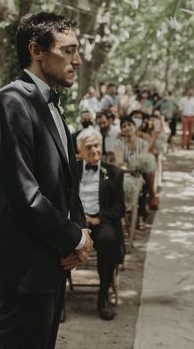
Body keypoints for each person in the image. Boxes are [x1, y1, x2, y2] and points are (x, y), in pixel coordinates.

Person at [0, 12, 94, 349]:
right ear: (36, 50)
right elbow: (24, 195)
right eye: (68, 50)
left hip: (51, 265)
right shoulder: (10, 103)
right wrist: (74, 236)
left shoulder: (52, 105)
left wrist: (80, 233)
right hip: (23, 271)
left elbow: (64, 182)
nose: (77, 61)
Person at [75, 128, 125, 321]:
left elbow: (119, 207)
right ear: (79, 151)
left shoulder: (114, 173)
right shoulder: (72, 170)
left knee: (107, 240)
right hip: (77, 223)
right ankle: (58, 300)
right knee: (57, 242)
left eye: (97, 145)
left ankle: (103, 295)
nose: (94, 150)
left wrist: (98, 218)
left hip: (100, 221)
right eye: (89, 147)